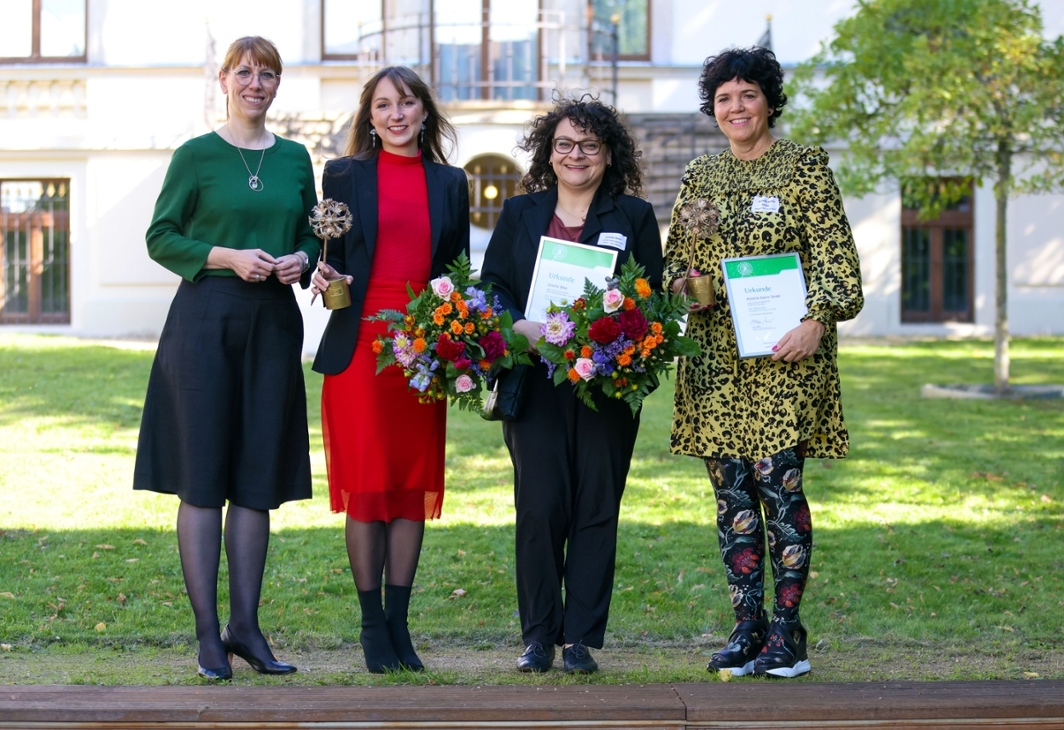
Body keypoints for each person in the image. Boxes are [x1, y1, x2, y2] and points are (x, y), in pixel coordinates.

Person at [664, 46, 863, 679]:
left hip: (784, 358)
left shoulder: (803, 168)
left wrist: (817, 320)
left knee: (780, 491)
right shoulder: (700, 178)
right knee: (733, 501)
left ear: (769, 100)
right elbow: (673, 264)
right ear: (713, 109)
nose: (736, 107)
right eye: (724, 98)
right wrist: (683, 288)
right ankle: (746, 628)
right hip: (717, 362)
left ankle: (787, 632)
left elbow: (839, 263)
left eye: (748, 94)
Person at [135, 36, 319, 680]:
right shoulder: (196, 156)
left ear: (276, 86)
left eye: (268, 74)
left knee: (255, 478)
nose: (256, 83)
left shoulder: (297, 159)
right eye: (245, 71)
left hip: (272, 324)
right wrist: (227, 256)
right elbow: (161, 235)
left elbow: (307, 234)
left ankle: (247, 627)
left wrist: (303, 261)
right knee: (203, 476)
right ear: (224, 79)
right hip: (204, 322)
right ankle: (208, 636)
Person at [480, 98, 663, 675]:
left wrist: (613, 334)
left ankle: (580, 637)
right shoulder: (520, 212)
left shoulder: (632, 215)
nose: (575, 155)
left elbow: (651, 298)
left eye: (588, 145)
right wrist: (519, 325)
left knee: (595, 507)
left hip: (605, 386)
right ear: (548, 153)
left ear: (608, 153)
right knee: (539, 508)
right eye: (564, 144)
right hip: (535, 381)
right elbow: (494, 286)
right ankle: (538, 636)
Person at [310, 67, 468, 673]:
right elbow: (330, 255)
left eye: (406, 104)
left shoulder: (450, 182)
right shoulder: (345, 174)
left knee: (409, 485)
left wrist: (456, 334)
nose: (395, 115)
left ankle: (401, 625)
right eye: (383, 105)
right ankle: (371, 624)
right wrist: (323, 277)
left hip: (422, 351)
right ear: (369, 117)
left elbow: (455, 268)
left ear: (424, 112)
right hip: (361, 349)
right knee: (369, 485)